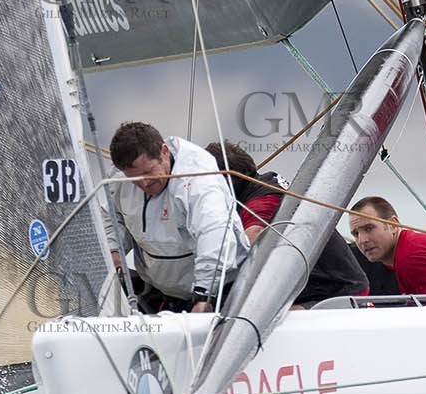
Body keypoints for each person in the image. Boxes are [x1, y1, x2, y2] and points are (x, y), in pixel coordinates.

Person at [205, 141, 368, 305]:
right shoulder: (268, 183)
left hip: (338, 293)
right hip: (332, 284)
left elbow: (251, 249)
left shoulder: (261, 202)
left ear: (225, 180)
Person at [110, 121, 249, 313]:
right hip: (162, 293)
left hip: (218, 292)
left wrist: (204, 295)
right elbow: (110, 214)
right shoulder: (120, 180)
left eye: (148, 172)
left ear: (164, 152)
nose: (144, 183)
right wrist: (113, 252)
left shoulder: (198, 180)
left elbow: (214, 234)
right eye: (134, 178)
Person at [348, 196, 426, 297]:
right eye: (356, 234)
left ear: (393, 225)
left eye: (369, 228)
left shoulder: (410, 257)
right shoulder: (410, 245)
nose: (362, 240)